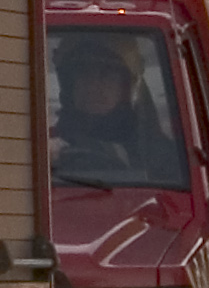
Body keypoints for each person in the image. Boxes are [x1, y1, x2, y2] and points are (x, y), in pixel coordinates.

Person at [52, 34, 182, 183]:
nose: (93, 86)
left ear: (126, 86)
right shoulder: (43, 147)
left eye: (107, 75)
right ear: (68, 85)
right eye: (83, 74)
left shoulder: (164, 156)